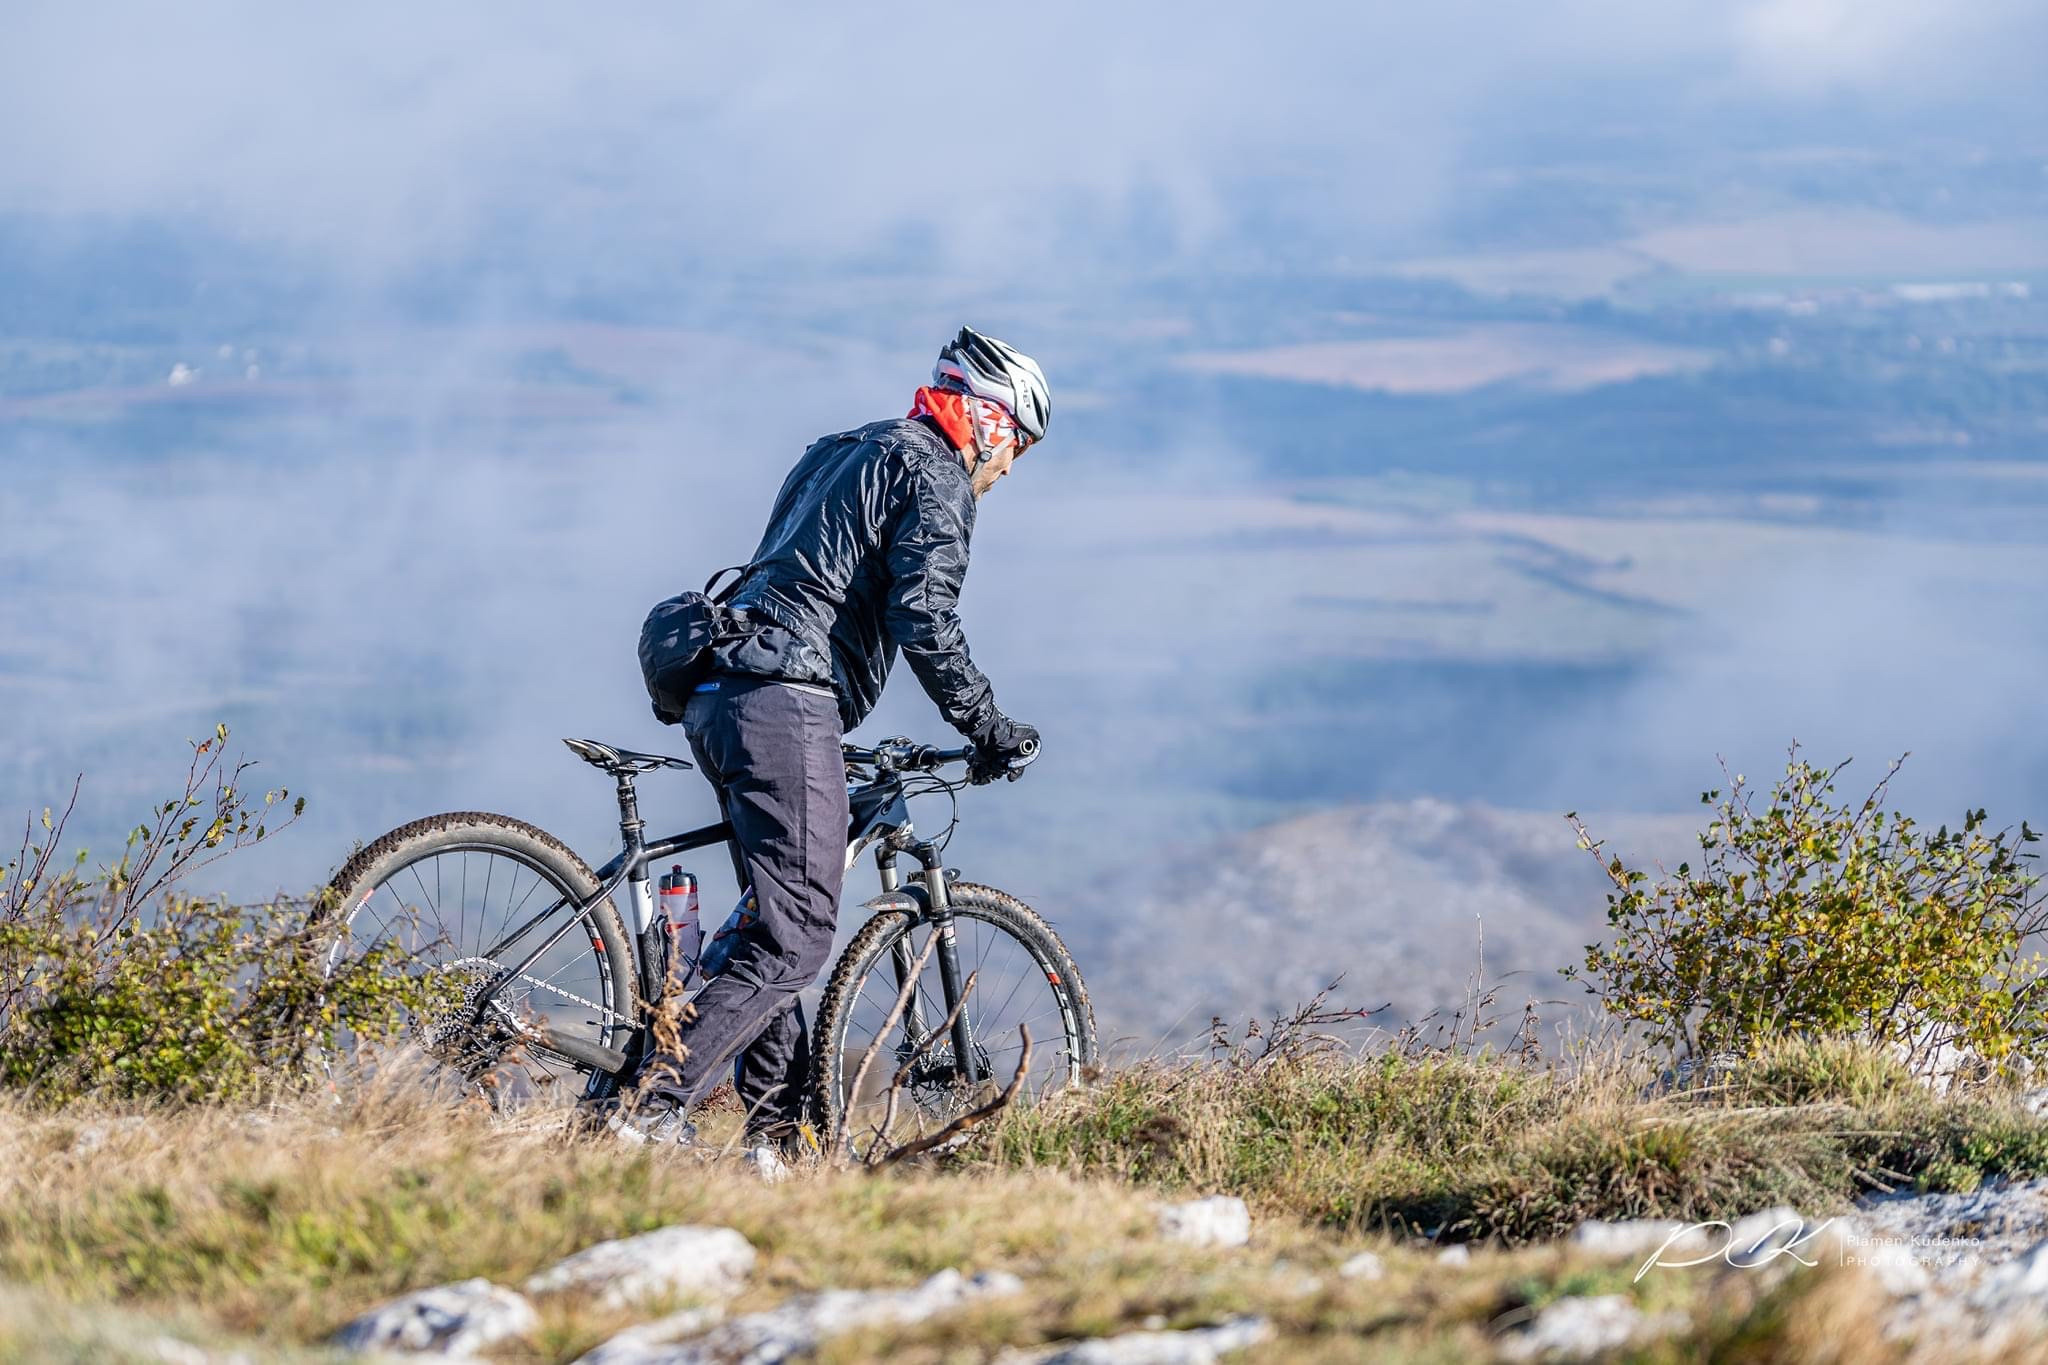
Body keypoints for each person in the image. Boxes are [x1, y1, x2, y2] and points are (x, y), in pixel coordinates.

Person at [613, 327, 1049, 1152]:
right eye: (1018, 444)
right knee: (801, 932)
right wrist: (987, 726)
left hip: (720, 686)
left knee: (767, 924)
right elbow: (923, 613)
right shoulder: (936, 472)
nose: (1011, 467)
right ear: (989, 421)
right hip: (784, 696)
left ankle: (778, 1143)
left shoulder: (841, 449)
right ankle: (647, 1109)